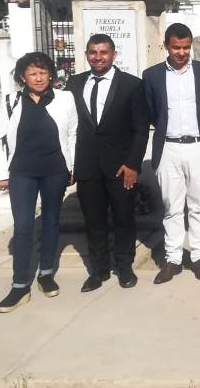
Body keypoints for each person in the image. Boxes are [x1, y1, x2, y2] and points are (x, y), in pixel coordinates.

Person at [0, 52, 78, 313]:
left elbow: (74, 133)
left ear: (50, 74)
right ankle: (19, 285)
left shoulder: (65, 98)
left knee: (51, 221)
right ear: (23, 77)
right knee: (23, 225)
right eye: (32, 73)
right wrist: (1, 174)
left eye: (42, 73)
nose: (38, 78)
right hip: (22, 172)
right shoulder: (11, 102)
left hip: (55, 170)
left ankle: (46, 273)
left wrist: (72, 166)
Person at [65, 34, 149, 292]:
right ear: (87, 54)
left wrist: (133, 164)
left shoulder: (132, 85)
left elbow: (141, 129)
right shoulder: (75, 83)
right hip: (87, 165)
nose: (98, 57)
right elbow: (68, 125)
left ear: (114, 55)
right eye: (93, 52)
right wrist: (70, 165)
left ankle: (124, 267)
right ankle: (99, 269)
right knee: (94, 220)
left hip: (121, 166)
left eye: (103, 52)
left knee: (123, 218)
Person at [142, 23, 200, 284]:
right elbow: (151, 110)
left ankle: (199, 256)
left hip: (198, 146)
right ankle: (173, 259)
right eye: (176, 47)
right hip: (168, 147)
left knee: (197, 205)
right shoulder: (152, 75)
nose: (181, 52)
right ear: (166, 46)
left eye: (186, 47)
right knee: (172, 207)